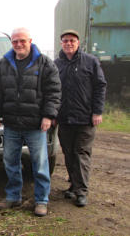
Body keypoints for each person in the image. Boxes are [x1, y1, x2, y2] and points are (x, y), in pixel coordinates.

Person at [0, 27, 61, 217]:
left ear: (30, 40)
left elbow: (54, 92)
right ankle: (13, 197)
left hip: (36, 125)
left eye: (22, 41)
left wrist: (48, 116)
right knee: (10, 162)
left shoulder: (45, 63)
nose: (18, 45)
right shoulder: (3, 63)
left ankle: (41, 200)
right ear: (11, 43)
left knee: (40, 165)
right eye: (15, 42)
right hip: (11, 124)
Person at [54, 29, 107, 207]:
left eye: (72, 41)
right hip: (64, 119)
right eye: (65, 41)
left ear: (78, 43)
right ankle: (73, 185)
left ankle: (82, 192)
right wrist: (52, 114)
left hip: (85, 118)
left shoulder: (90, 62)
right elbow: (52, 91)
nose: (69, 43)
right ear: (61, 43)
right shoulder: (56, 65)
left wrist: (97, 112)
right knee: (68, 153)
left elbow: (100, 86)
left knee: (81, 153)